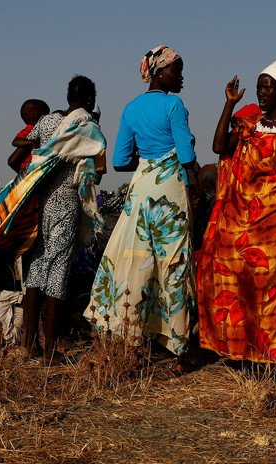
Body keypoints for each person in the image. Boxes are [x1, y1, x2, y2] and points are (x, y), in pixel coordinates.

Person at [0, 76, 105, 359]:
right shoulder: (88, 128)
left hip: (39, 208)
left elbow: (24, 149)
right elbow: (98, 171)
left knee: (35, 273)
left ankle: (30, 345)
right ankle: (51, 350)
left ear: (67, 96)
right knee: (57, 275)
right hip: (66, 208)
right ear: (91, 99)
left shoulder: (45, 123)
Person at [85, 46, 198, 366]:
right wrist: (197, 188)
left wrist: (149, 158)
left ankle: (131, 334)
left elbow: (121, 160)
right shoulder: (174, 104)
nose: (181, 76)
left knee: (138, 261)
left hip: (140, 187)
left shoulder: (131, 108)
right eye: (177, 70)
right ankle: (176, 344)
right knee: (174, 262)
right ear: (161, 72)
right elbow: (187, 155)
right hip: (170, 187)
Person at [197, 60, 276, 364]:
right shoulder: (249, 125)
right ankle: (240, 349)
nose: (262, 92)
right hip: (242, 215)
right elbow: (218, 145)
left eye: (268, 86)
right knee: (237, 278)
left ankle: (269, 354)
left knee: (272, 286)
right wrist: (229, 104)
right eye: (260, 86)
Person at [8, 99, 51, 172]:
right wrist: (31, 143)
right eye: (47, 115)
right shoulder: (30, 129)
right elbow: (15, 141)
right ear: (37, 116)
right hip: (30, 165)